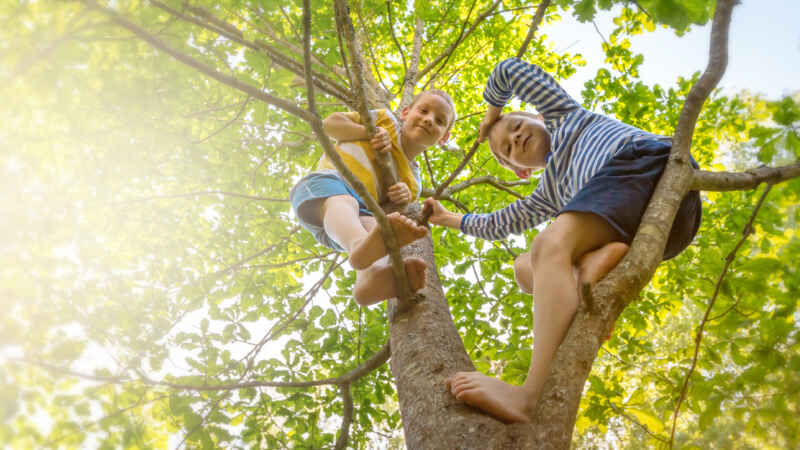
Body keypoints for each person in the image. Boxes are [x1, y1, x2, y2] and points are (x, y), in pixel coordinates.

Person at [423, 58, 701, 423]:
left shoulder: (563, 114)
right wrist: (447, 219)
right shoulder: (549, 195)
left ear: (537, 117)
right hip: (651, 230)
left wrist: (492, 116)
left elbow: (506, 69)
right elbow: (497, 223)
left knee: (549, 246)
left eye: (517, 125)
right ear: (522, 171)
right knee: (525, 268)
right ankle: (593, 264)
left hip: (649, 166)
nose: (515, 137)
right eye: (507, 148)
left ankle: (529, 395)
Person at [291, 90, 456, 306]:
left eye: (439, 120)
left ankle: (369, 279)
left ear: (443, 137)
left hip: (347, 225)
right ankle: (360, 248)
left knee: (378, 230)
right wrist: (367, 132)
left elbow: (391, 209)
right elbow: (331, 124)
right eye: (423, 111)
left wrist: (404, 197)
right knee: (347, 203)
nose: (428, 119)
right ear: (405, 112)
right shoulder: (384, 120)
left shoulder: (413, 182)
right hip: (324, 186)